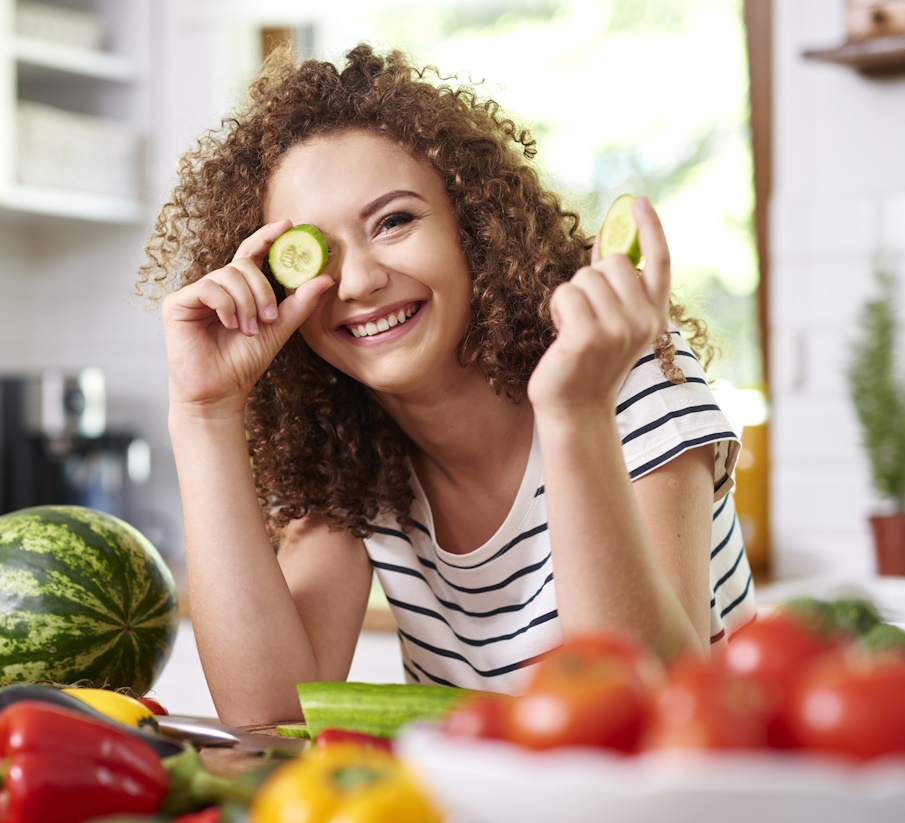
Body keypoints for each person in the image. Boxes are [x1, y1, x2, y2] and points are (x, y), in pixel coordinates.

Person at [139, 44, 756, 727]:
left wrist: (575, 414)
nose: (360, 281)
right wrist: (203, 414)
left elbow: (649, 709)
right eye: (318, 252)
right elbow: (269, 714)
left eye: (394, 222)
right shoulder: (352, 457)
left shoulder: (624, 379)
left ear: (474, 227)